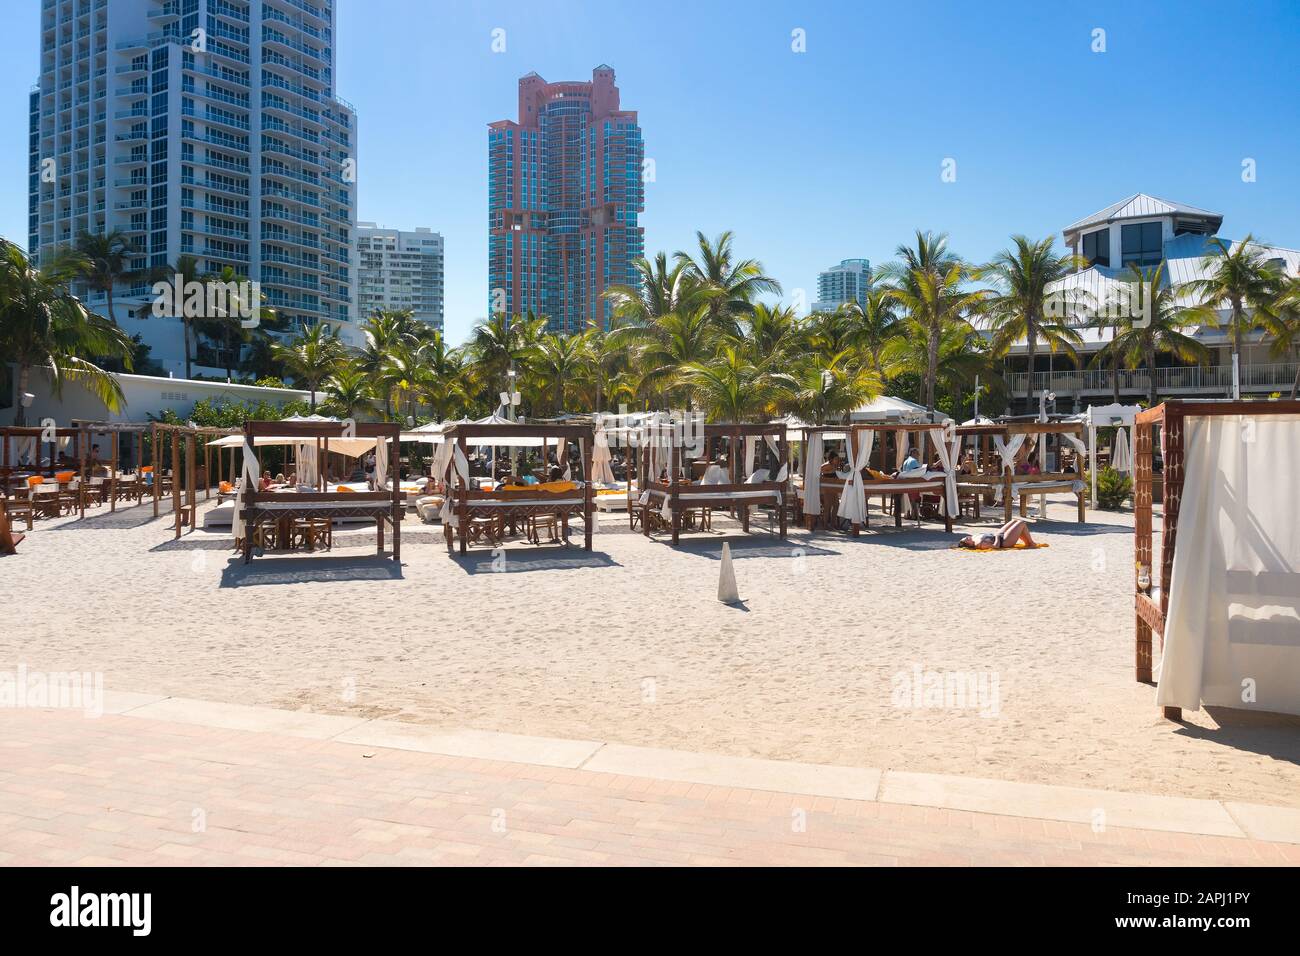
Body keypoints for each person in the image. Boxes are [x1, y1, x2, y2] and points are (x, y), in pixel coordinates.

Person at [957, 518, 1037, 551]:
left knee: (1014, 520)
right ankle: (1030, 543)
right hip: (1004, 542)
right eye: (967, 539)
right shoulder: (980, 544)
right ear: (969, 544)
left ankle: (1028, 542)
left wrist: (997, 535)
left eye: (966, 537)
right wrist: (997, 537)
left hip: (998, 535)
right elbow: (996, 546)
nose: (968, 537)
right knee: (1021, 523)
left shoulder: (974, 538)